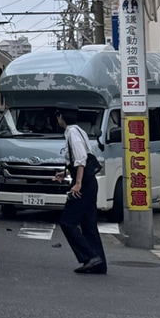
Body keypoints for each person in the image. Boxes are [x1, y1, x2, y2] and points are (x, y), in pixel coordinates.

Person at [53, 104, 106, 274]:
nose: (57, 119)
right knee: (88, 224)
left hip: (84, 185)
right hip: (90, 183)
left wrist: (77, 182)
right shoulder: (79, 130)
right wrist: (65, 172)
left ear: (61, 117)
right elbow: (82, 158)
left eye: (58, 116)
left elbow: (81, 159)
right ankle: (99, 264)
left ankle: (90, 257)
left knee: (67, 221)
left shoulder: (72, 133)